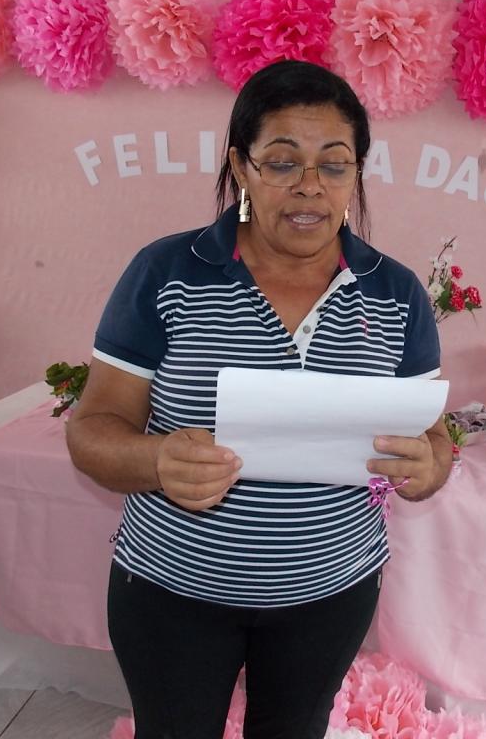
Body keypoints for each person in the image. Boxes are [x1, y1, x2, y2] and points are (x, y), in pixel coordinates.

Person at [66, 59, 452, 739]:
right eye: (282, 161)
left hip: (330, 594)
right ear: (241, 168)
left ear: (356, 173)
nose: (310, 185)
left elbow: (435, 439)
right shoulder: (168, 273)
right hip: (171, 589)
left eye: (334, 164)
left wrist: (428, 468)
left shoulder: (395, 295)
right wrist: (157, 460)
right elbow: (93, 427)